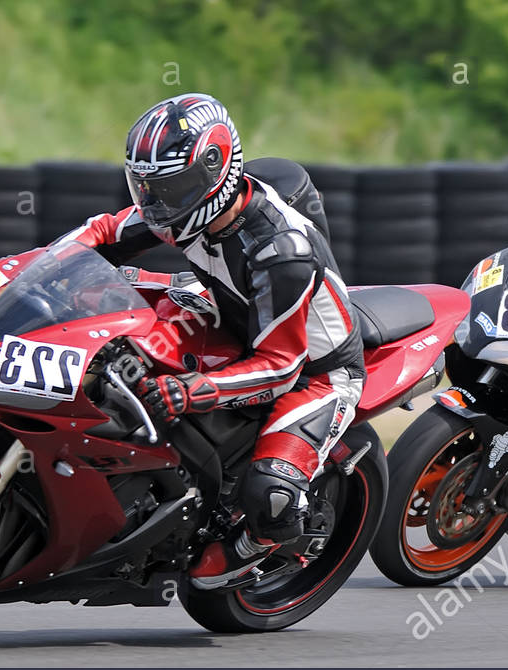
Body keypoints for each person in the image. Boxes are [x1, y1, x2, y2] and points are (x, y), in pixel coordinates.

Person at [56, 93, 363, 588]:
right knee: (113, 346)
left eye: (169, 187)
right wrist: (46, 265)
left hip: (314, 372)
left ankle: (263, 543)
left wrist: (193, 389)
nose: (155, 203)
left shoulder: (278, 251)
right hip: (228, 314)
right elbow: (108, 231)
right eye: (147, 187)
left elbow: (281, 364)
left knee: (270, 498)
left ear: (213, 172)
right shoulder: (183, 209)